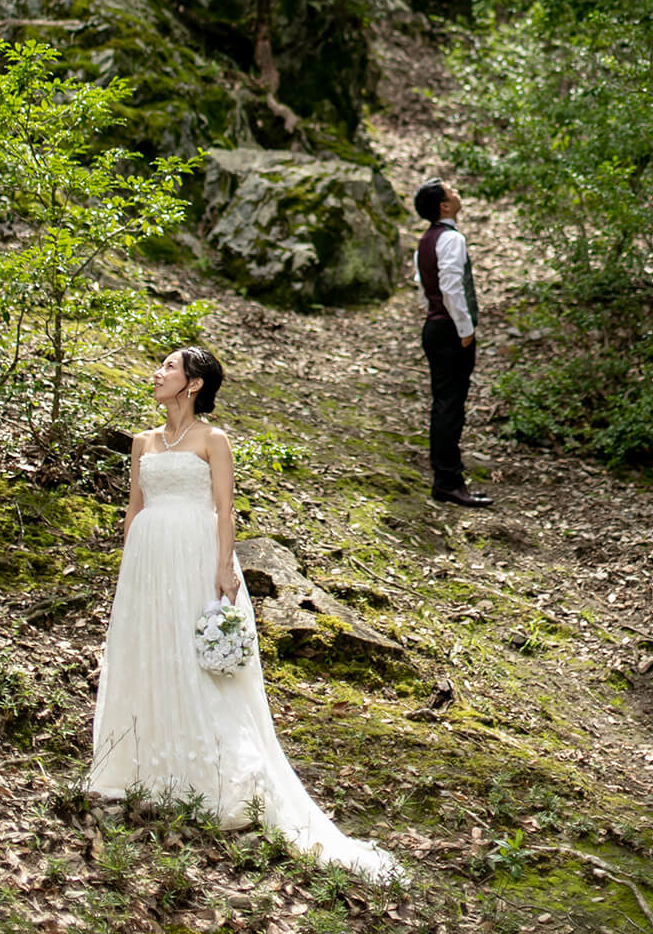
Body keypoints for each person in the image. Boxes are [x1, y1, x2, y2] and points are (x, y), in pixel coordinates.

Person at [88, 344, 403, 881]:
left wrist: (224, 569)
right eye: (162, 364)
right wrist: (130, 566)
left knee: (197, 659)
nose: (159, 372)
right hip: (147, 560)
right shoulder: (143, 442)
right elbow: (133, 510)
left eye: (170, 367)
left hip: (195, 553)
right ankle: (135, 764)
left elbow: (223, 507)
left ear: (193, 385)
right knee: (148, 653)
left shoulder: (214, 440)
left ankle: (209, 775)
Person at [413, 178, 493, 509]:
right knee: (450, 406)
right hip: (449, 331)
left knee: (444, 403)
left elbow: (421, 284)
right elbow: (450, 286)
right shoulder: (451, 239)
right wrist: (465, 329)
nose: (457, 192)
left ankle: (447, 478)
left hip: (434, 326)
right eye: (451, 191)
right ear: (444, 206)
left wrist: (433, 314)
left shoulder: (426, 240)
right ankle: (448, 481)